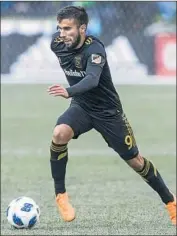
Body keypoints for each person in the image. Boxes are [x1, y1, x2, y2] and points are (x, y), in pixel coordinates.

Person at [48, 5, 176, 225]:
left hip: (109, 112)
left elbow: (92, 80)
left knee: (136, 162)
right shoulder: (56, 44)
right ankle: (61, 196)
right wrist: (73, 96)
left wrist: (68, 91)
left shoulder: (95, 49)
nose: (62, 34)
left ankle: (170, 202)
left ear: (82, 29)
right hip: (82, 106)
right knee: (59, 134)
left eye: (68, 28)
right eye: (60, 28)